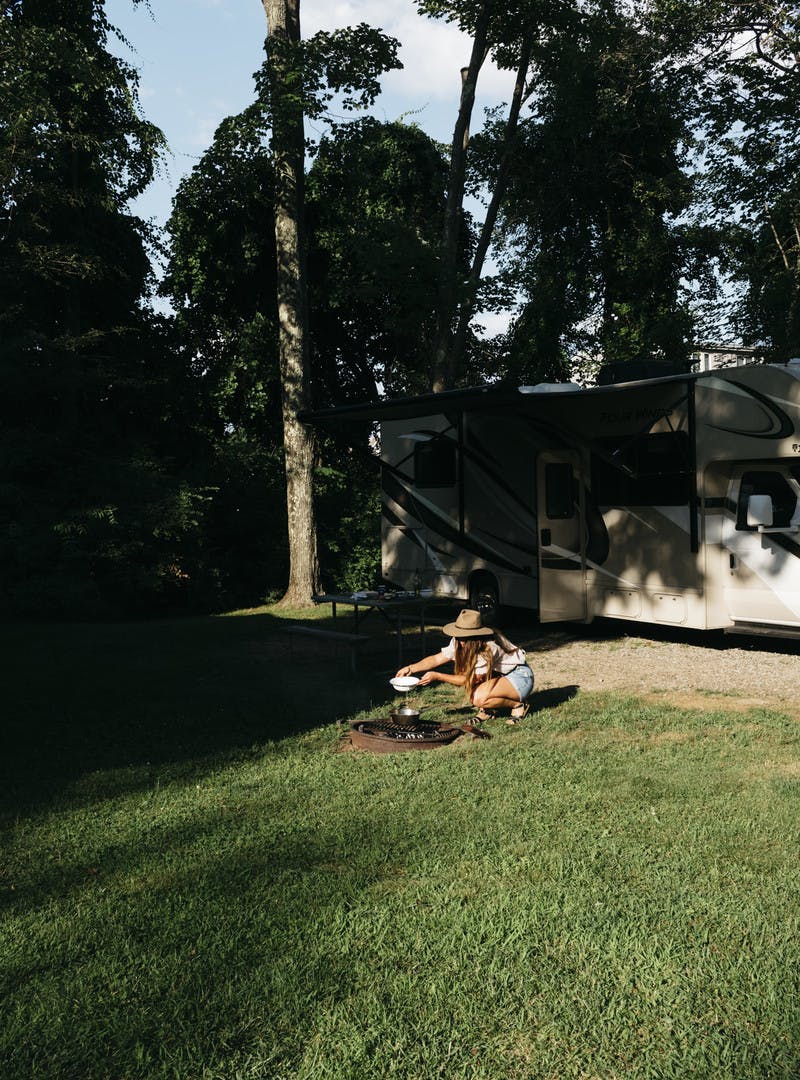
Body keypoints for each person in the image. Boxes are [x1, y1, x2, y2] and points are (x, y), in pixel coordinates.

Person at [395, 608, 534, 724]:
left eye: (464, 636)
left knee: (478, 697)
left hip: (519, 676)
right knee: (475, 695)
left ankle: (518, 705)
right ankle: (488, 711)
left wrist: (437, 676)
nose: (460, 640)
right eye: (459, 635)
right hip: (500, 675)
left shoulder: (488, 648)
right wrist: (411, 668)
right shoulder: (459, 640)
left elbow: (469, 680)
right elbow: (438, 658)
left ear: (475, 635)